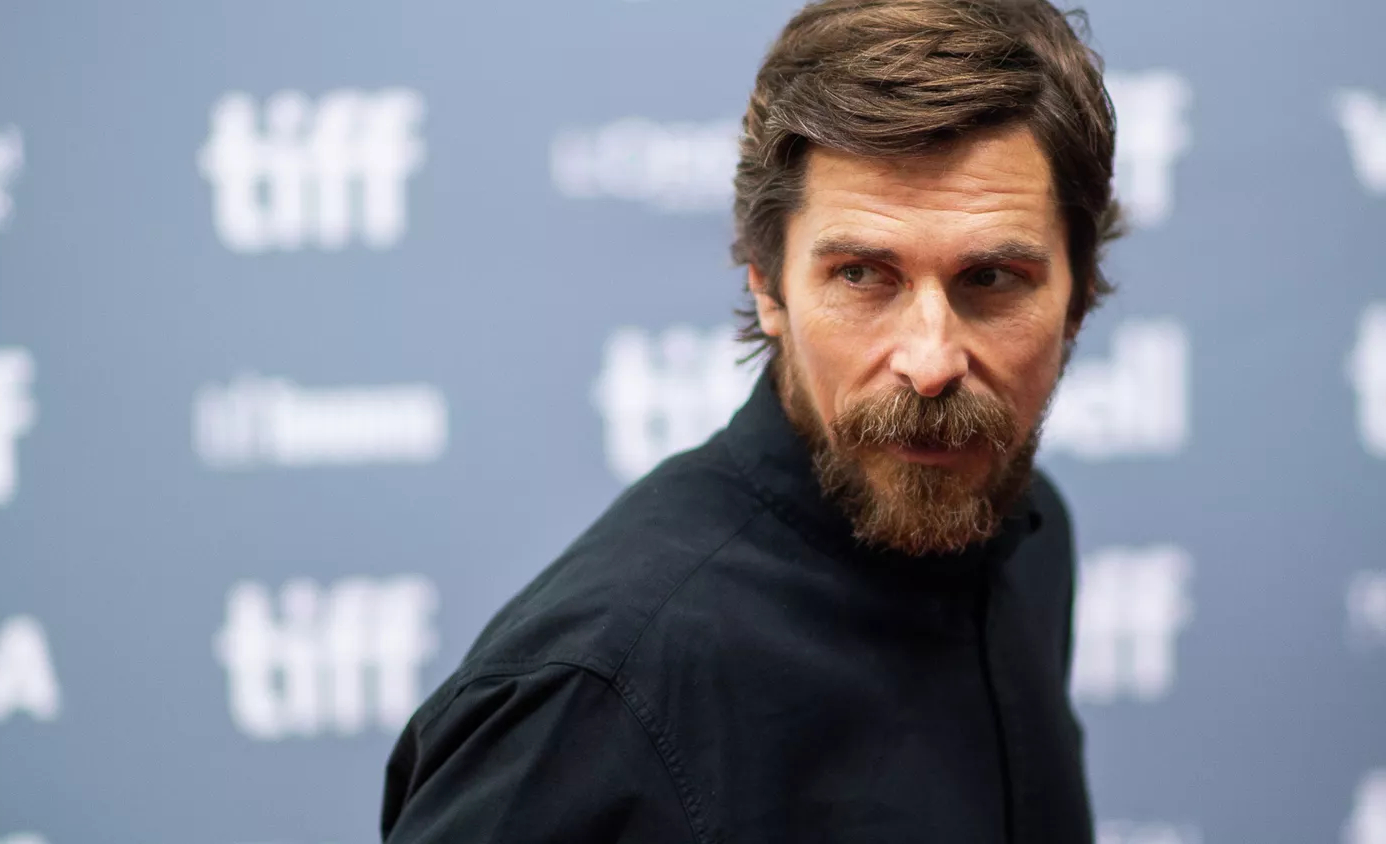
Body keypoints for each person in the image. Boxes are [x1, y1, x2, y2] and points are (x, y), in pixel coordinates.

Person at [380, 0, 1123, 840]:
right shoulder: (595, 693)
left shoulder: (1028, 535)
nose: (930, 362)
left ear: (1078, 294)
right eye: (862, 275)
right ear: (767, 285)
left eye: (991, 279)